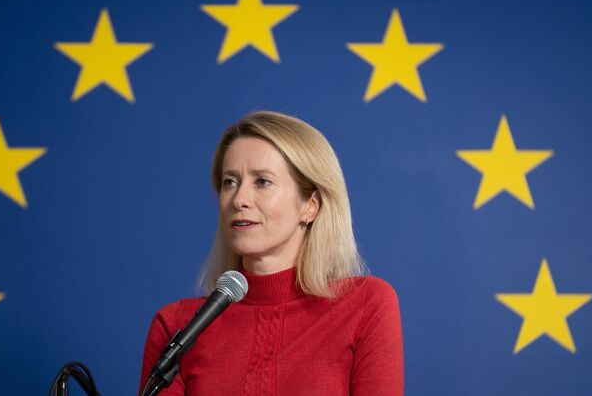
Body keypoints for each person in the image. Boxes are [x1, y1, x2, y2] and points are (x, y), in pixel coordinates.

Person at [140, 111, 404, 395]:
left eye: (262, 181)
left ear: (310, 206)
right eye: (230, 182)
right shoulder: (176, 326)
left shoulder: (365, 305)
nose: (239, 200)